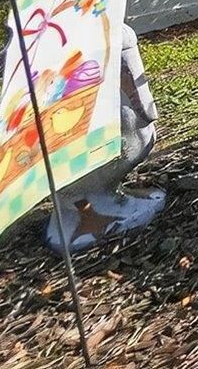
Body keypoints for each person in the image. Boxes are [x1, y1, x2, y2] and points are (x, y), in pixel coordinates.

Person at [40, 27, 165, 254]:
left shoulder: (41, 45)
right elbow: (143, 110)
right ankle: (93, 213)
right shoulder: (106, 35)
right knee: (137, 136)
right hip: (93, 139)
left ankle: (86, 209)